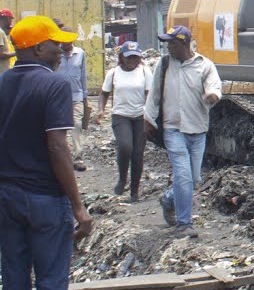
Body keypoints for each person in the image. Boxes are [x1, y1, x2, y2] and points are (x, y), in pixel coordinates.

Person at [0, 16, 93, 290]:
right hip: (45, 199)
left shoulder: (2, 82)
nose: (62, 50)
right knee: (51, 279)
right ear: (38, 49)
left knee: (14, 276)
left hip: (6, 197)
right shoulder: (55, 84)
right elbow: (57, 146)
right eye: (55, 44)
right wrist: (78, 206)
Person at [144, 26, 222, 237]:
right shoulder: (165, 63)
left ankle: (169, 198)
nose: (169, 47)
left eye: (173, 44)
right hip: (173, 129)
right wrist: (148, 118)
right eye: (167, 43)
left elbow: (214, 86)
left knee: (194, 179)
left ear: (185, 44)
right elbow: (155, 94)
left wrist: (213, 95)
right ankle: (183, 224)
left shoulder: (205, 65)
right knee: (183, 175)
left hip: (198, 130)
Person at [98, 43, 152, 201]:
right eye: (129, 57)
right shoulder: (114, 73)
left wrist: (150, 114)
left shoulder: (144, 71)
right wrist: (101, 110)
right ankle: (122, 179)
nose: (132, 60)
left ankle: (134, 191)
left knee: (137, 154)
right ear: (122, 57)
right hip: (120, 115)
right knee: (125, 146)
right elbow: (103, 94)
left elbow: (150, 94)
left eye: (135, 57)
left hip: (140, 116)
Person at [51, 21, 89, 172]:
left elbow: (83, 76)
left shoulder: (80, 53)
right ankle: (60, 157)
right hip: (58, 96)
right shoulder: (55, 54)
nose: (65, 44)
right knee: (59, 127)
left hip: (76, 95)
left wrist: (85, 97)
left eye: (68, 41)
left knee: (77, 125)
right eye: (63, 41)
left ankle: (77, 158)